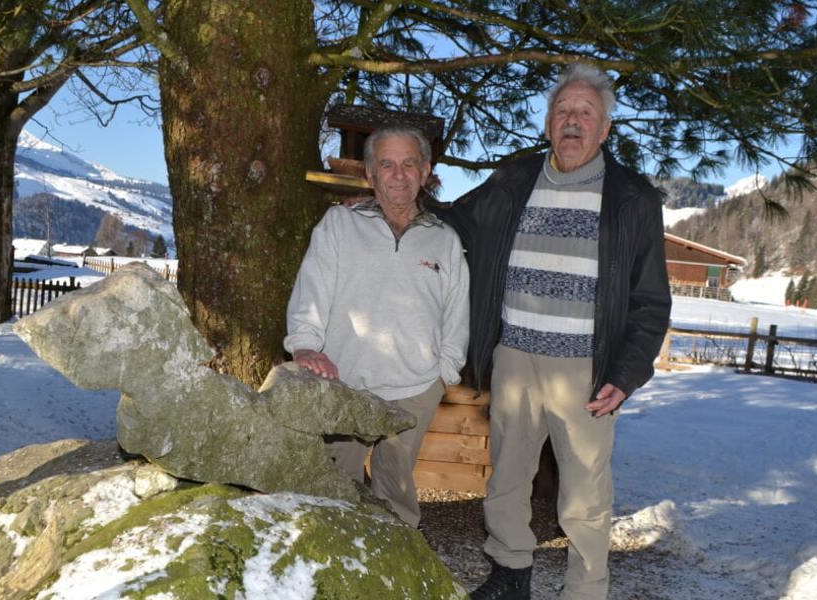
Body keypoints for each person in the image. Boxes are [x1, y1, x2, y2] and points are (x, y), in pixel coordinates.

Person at [431, 63, 672, 600]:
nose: (572, 121)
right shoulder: (515, 180)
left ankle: (585, 591)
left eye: (585, 112)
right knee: (507, 479)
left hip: (585, 369)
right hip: (514, 355)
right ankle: (510, 574)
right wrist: (405, 205)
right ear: (546, 124)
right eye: (562, 110)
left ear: (605, 128)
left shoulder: (632, 200)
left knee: (584, 496)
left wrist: (627, 374)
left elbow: (651, 301)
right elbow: (456, 224)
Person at [284, 125, 469, 528]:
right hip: (343, 381)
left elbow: (457, 312)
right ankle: (340, 563)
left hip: (415, 388)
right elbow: (310, 291)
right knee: (334, 485)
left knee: (395, 486)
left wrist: (445, 371)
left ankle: (398, 563)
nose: (398, 174)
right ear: (370, 173)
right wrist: (305, 345)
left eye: (409, 164)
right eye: (386, 164)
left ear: (426, 172)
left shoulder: (445, 240)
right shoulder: (339, 224)